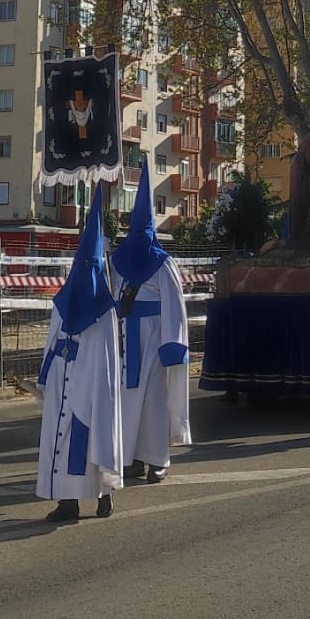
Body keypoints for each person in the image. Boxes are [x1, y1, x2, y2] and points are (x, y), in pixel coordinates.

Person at [39, 191, 124, 521]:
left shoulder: (104, 310)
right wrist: (46, 375)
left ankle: (103, 495)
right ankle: (67, 501)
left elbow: (105, 355)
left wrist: (92, 386)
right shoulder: (64, 299)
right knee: (60, 437)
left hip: (89, 384)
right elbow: (52, 339)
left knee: (92, 439)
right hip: (63, 378)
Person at [110, 165, 191, 483]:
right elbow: (113, 295)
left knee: (154, 399)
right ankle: (130, 457)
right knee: (126, 401)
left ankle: (157, 457)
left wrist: (173, 344)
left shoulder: (163, 262)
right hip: (126, 338)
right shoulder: (118, 260)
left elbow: (175, 305)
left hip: (155, 338)